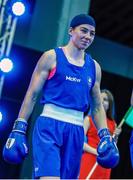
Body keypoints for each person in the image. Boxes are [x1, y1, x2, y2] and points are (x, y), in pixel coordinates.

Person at [3, 14, 119, 179]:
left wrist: (104, 134)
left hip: (76, 131)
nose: (87, 36)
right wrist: (19, 127)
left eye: (92, 33)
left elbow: (98, 106)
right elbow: (32, 95)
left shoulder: (94, 67)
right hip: (49, 127)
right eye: (83, 31)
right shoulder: (51, 57)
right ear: (71, 31)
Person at [79, 89, 121, 179]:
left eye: (105, 99)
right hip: (90, 159)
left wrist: (116, 137)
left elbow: (112, 147)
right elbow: (80, 143)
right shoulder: (88, 119)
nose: (102, 101)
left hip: (105, 164)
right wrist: (97, 152)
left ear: (110, 104)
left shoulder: (113, 124)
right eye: (100, 98)